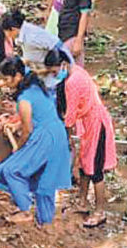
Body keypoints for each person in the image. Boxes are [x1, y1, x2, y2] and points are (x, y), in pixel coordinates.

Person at [0, 57, 71, 225]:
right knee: (43, 183)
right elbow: (34, 116)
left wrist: (18, 149)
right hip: (57, 134)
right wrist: (15, 126)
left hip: (45, 137)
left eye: (6, 79)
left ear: (17, 76)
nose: (4, 83)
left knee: (12, 170)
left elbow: (28, 130)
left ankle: (25, 211)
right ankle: (45, 223)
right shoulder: (35, 85)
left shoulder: (24, 98)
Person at [44, 49, 117, 227]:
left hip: (96, 123)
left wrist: (66, 139)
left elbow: (69, 116)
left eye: (54, 71)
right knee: (85, 164)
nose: (54, 75)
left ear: (63, 65)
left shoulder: (73, 82)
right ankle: (82, 201)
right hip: (87, 123)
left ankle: (100, 212)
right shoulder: (75, 71)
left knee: (96, 170)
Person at [1, 10, 73, 68]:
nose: (6, 35)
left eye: (6, 32)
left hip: (56, 68)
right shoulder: (22, 34)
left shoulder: (32, 36)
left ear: (13, 29)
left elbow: (56, 46)